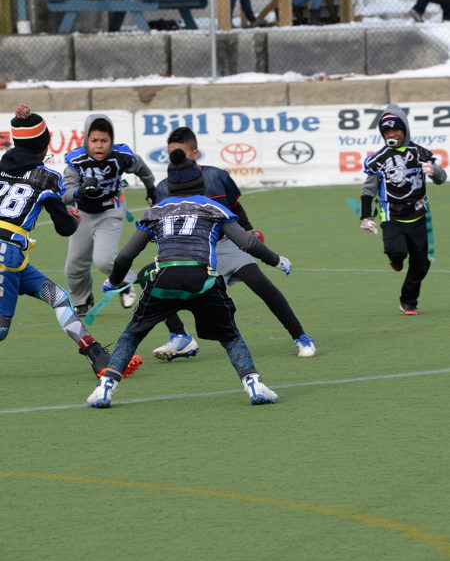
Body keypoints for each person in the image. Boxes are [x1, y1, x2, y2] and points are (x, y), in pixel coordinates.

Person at [86, 148, 289, 408]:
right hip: (203, 280)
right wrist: (276, 260)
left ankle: (104, 389)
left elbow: (125, 256)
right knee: (230, 337)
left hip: (164, 278)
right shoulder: (213, 208)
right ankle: (254, 385)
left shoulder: (156, 211)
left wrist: (114, 281)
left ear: (169, 186)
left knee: (132, 335)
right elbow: (247, 242)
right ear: (201, 183)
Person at [150, 127, 316, 361]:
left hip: (226, 243)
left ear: (195, 153)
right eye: (171, 154)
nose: (175, 158)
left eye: (181, 153)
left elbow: (235, 207)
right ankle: (180, 336)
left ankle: (300, 336)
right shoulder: (162, 187)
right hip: (192, 250)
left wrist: (248, 230)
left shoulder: (217, 176)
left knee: (261, 284)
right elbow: (160, 225)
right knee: (154, 282)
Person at [0, 104, 142, 378]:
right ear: (42, 146)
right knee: (1, 329)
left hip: (14, 258)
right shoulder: (47, 178)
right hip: (7, 253)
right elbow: (65, 229)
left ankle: (98, 357)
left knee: (59, 297)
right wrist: (73, 217)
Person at [62, 113, 156, 316]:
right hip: (82, 214)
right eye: (94, 140)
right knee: (75, 265)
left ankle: (125, 282)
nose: (99, 146)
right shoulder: (76, 160)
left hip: (110, 210)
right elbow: (65, 195)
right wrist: (80, 191)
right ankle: (82, 300)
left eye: (104, 141)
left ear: (111, 140)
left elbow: (143, 169)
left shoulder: (122, 156)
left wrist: (151, 189)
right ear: (86, 140)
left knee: (104, 261)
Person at [360, 103, 447, 315]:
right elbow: (368, 189)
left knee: (420, 263)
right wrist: (366, 217)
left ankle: (408, 301)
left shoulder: (420, 153)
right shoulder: (377, 159)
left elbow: (441, 179)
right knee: (396, 250)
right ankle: (396, 260)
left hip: (417, 214)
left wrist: (434, 171)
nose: (391, 135)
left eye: (395, 130)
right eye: (387, 132)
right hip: (391, 213)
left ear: (405, 130)